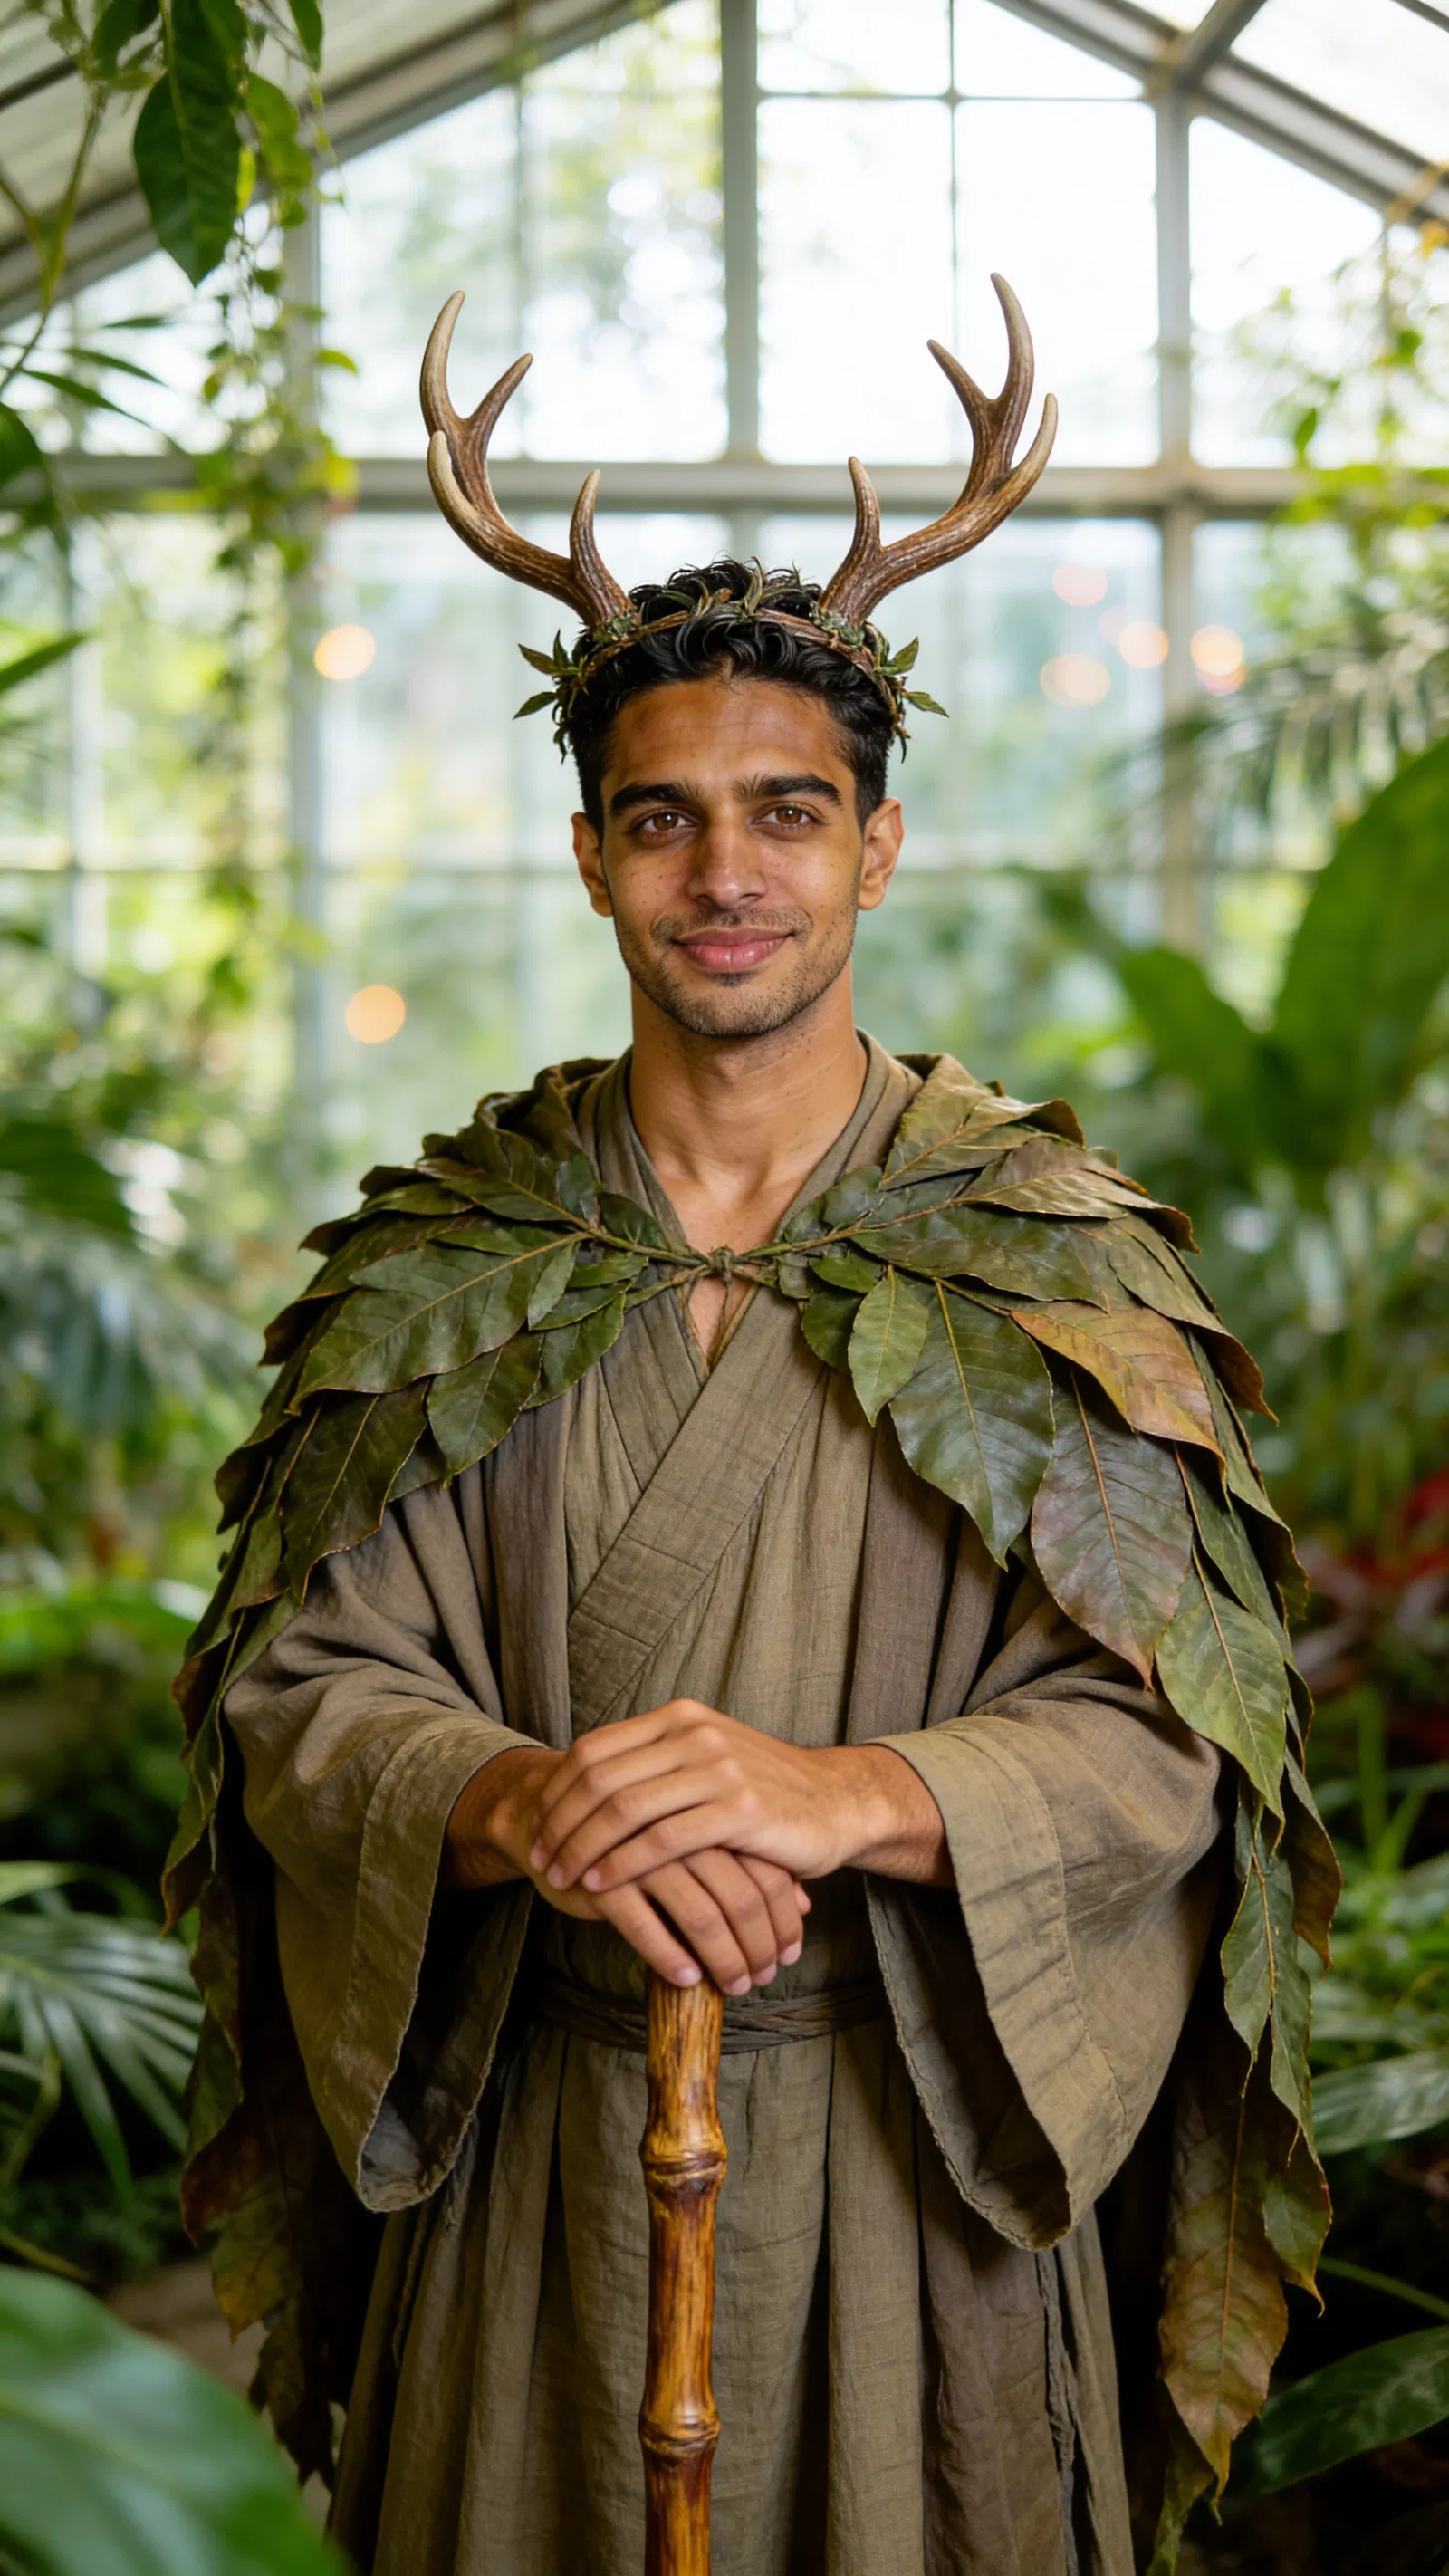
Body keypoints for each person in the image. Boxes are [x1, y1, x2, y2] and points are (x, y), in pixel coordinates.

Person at [168, 284, 1332, 2576]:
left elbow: (1168, 1741)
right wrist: (518, 1795)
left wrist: (844, 1798)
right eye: (665, 821)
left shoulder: (1049, 1265)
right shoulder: (449, 1260)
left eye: (788, 814)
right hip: (532, 2204)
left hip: (921, 2201)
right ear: (593, 856)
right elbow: (295, 1694)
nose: (728, 875)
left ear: (874, 853)